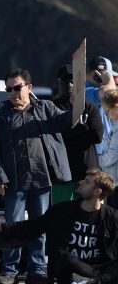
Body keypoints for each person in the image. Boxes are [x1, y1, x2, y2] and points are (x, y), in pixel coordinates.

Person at [0, 68, 71, 284]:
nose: (13, 93)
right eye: (9, 89)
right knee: (13, 226)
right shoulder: (0, 116)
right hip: (15, 181)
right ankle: (9, 271)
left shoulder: (45, 108)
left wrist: (79, 102)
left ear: (29, 87)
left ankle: (37, 269)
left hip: (43, 179)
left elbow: (66, 122)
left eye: (17, 87)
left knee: (40, 226)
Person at [0, 169, 118, 284]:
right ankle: (96, 281)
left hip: (96, 268)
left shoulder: (112, 217)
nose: (81, 182)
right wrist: (1, 227)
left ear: (97, 191)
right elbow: (34, 226)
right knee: (67, 258)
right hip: (69, 269)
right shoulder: (61, 210)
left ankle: (93, 281)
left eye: (87, 182)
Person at [52, 64, 103, 204]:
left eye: (73, 81)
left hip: (88, 171)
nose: (69, 84)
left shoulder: (89, 107)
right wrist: (83, 130)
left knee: (90, 213)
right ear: (58, 82)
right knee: (62, 214)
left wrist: (72, 132)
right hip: (61, 173)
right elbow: (55, 137)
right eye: (65, 80)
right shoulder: (51, 107)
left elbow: (98, 136)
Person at [85, 57, 118, 155]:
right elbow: (108, 93)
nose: (110, 78)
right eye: (107, 75)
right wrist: (110, 81)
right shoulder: (86, 92)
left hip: (106, 151)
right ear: (95, 74)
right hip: (95, 153)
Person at [99, 89, 118, 207]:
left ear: (116, 106)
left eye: (107, 112)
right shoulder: (115, 124)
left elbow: (113, 154)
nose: (106, 115)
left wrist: (97, 161)